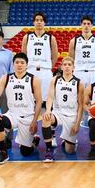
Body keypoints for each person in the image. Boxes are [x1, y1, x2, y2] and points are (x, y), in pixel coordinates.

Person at [0, 53, 43, 165]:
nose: (19, 65)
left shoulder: (34, 79)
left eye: (22, 63)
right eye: (17, 62)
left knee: (25, 152)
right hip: (12, 115)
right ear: (13, 64)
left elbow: (39, 101)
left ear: (26, 65)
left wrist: (34, 121)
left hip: (27, 116)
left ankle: (34, 141)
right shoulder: (6, 78)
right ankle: (3, 153)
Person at [22, 12, 58, 146]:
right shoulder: (27, 37)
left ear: (44, 23)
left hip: (45, 72)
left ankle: (52, 134)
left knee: (48, 103)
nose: (38, 22)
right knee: (31, 103)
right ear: (33, 22)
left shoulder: (50, 38)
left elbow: (55, 55)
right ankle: (33, 134)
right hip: (31, 71)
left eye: (41, 20)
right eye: (36, 20)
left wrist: (48, 68)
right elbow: (23, 55)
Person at [42, 56, 84, 162]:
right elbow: (50, 97)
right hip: (58, 114)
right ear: (61, 67)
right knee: (46, 118)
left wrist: (77, 123)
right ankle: (49, 150)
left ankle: (66, 141)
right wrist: (47, 110)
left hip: (72, 116)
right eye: (65, 65)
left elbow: (80, 105)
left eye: (69, 65)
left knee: (70, 151)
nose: (67, 67)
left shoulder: (79, 83)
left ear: (73, 67)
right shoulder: (55, 80)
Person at [68, 15, 95, 87]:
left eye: (88, 24)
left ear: (92, 25)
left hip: (93, 72)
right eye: (84, 24)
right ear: (81, 25)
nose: (86, 26)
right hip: (78, 72)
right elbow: (71, 58)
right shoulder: (74, 41)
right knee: (78, 97)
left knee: (93, 97)